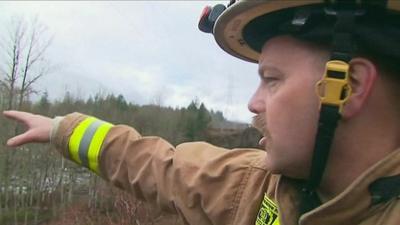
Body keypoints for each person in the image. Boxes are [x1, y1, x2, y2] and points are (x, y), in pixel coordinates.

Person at [3, 1, 400, 224]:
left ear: (349, 87)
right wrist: (61, 128)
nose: (253, 102)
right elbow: (161, 165)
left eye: (272, 79)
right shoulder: (257, 188)